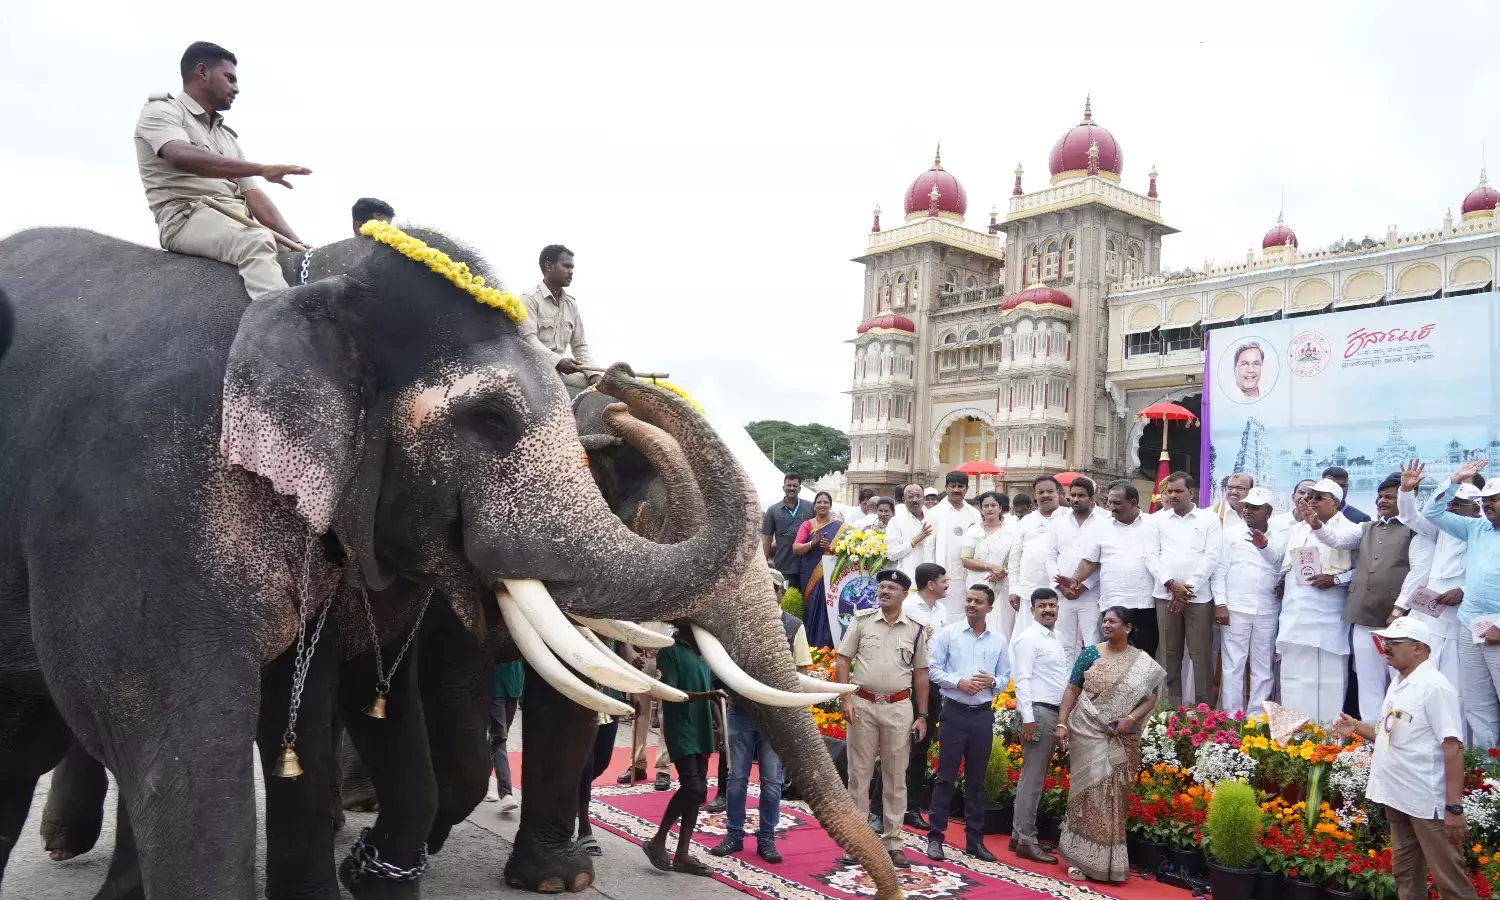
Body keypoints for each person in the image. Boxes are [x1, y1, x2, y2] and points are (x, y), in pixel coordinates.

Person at [134, 42, 310, 300]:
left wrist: (296, 244)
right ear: (203, 72)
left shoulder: (227, 137)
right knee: (255, 242)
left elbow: (254, 196)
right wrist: (262, 168)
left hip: (236, 218)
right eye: (230, 78)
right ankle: (284, 330)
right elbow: (179, 155)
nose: (236, 88)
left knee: (298, 259)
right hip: (186, 216)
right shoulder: (161, 111)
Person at [1333, 617, 1476, 900]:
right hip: (1397, 796)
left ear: (1418, 649)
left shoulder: (1435, 687)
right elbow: (1392, 733)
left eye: (1394, 643)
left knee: (1451, 883)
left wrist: (1454, 808)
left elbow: (1453, 748)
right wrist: (1358, 727)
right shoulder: (1399, 682)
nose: (1385, 648)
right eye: (1385, 642)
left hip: (1427, 804)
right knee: (1407, 878)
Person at [1054, 607, 1166, 884]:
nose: (1106, 625)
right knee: (1087, 792)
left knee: (1112, 796)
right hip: (1086, 729)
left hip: (1120, 734)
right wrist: (1062, 722)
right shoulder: (1090, 654)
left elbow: (1151, 697)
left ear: (1127, 627)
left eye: (1112, 621)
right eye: (1103, 620)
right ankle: (1078, 858)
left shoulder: (1142, 661)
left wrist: (1130, 718)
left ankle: (1109, 861)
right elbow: (1072, 689)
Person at [711, 579, 812, 864]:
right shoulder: (737, 622)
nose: (766, 592)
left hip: (776, 715)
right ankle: (734, 834)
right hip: (741, 710)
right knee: (737, 778)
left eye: (772, 587)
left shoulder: (794, 626)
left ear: (782, 593)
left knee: (771, 780)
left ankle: (766, 838)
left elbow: (801, 671)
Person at [834, 569, 930, 870]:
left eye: (892, 588)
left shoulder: (915, 630)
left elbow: (921, 674)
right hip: (862, 704)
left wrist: (923, 715)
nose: (884, 592)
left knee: (895, 777)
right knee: (858, 775)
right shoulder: (862, 622)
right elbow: (842, 659)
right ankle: (858, 842)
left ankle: (893, 843)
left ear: (905, 594)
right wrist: (845, 698)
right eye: (882, 587)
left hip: (899, 708)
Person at [1309, 474, 1418, 719]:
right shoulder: (1367, 527)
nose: (1382, 501)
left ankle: (1398, 737)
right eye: (1380, 496)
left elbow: (1419, 572)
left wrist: (1399, 609)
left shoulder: (1415, 530)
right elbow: (1336, 540)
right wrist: (1317, 526)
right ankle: (1371, 737)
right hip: (1364, 615)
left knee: (1400, 680)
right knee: (1368, 679)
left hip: (1397, 619)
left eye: (1389, 496)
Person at [924, 584, 1010, 863]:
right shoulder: (948, 634)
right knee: (945, 778)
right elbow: (933, 670)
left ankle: (975, 840)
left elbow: (1005, 677)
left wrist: (993, 683)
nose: (972, 605)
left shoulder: (998, 640)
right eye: (969, 600)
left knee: (976, 780)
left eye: (978, 601)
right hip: (955, 713)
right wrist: (958, 682)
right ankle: (936, 837)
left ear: (990, 608)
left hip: (983, 715)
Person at [1420, 459, 1500, 747]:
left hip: (1498, 629)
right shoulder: (1477, 528)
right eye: (1484, 499)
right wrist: (1454, 481)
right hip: (1470, 625)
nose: (1487, 504)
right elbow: (1432, 511)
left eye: (1494, 499)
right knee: (1477, 704)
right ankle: (1487, 776)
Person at [1394, 459, 1481, 715]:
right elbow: (1410, 516)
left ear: (1476, 509)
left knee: (1454, 685)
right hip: (1429, 615)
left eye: (1458, 504)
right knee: (1422, 677)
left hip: (1459, 618)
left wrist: (1463, 590)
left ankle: (1460, 746)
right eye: (1451, 502)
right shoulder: (1440, 527)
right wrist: (1406, 492)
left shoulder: (1484, 532)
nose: (1451, 508)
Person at [643, 629, 723, 877]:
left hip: (701, 728)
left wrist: (719, 724)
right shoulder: (670, 651)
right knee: (693, 788)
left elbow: (711, 691)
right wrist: (708, 696)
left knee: (698, 790)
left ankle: (682, 854)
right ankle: (657, 840)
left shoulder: (703, 651)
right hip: (682, 728)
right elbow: (672, 694)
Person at [1278, 478, 1359, 724]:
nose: (1312, 501)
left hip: (1327, 616)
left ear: (1335, 502)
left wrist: (1335, 579)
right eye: (1310, 497)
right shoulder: (1297, 528)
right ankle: (1293, 735)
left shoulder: (1350, 528)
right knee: (1293, 675)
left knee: (1328, 678)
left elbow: (1360, 569)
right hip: (1295, 614)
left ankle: (1327, 736)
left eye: (1319, 498)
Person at [1145, 471, 1223, 707]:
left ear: (1192, 492)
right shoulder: (1157, 520)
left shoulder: (1208, 520)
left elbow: (1211, 557)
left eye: (1178, 491)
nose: (1172, 495)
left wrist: (1187, 589)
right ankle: (1171, 710)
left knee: (1200, 656)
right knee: (1169, 655)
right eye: (1169, 491)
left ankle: (1203, 714)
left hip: (1198, 598)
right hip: (1165, 595)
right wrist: (1171, 584)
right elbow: (1150, 556)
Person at [1210, 487, 1286, 716]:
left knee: (1263, 667)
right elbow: (1220, 570)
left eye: (1255, 507)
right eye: (1247, 506)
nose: (1248, 511)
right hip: (1236, 608)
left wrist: (1263, 545)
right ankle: (1232, 719)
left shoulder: (1281, 535)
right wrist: (1220, 603)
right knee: (1234, 665)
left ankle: (1257, 720)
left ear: (1269, 512)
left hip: (1267, 609)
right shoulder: (1230, 533)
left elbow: (1280, 565)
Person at [1063, 481, 1160, 657]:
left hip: (1145, 603)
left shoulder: (1153, 523)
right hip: (1113, 603)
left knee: (1144, 657)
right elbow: (1089, 562)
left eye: (1117, 503)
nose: (1112, 507)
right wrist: (1075, 579)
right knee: (1113, 656)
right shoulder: (1101, 526)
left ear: (1133, 502)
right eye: (1110, 502)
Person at [1011, 588, 1067, 864]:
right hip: (1038, 713)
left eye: (1052, 605)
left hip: (1050, 712)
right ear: (1032, 610)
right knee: (1032, 779)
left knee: (1032, 777)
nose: (1048, 609)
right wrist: (1028, 717)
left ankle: (1017, 834)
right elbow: (1021, 679)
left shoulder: (1054, 637)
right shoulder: (1029, 639)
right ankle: (1026, 839)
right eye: (1042, 605)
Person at [901, 562, 950, 830]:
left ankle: (911, 806)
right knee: (897, 747)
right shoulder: (908, 607)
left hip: (934, 684)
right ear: (931, 584)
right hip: (908, 682)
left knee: (920, 747)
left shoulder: (941, 609)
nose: (947, 585)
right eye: (943, 581)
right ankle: (881, 807)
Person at [1048, 477, 1108, 667]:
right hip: (1063, 594)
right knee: (1064, 643)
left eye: (1081, 496)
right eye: (1073, 495)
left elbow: (1103, 561)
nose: (1075, 499)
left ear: (1092, 498)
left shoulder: (1105, 522)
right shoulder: (1058, 522)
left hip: (1091, 594)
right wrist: (1060, 585)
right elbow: (1049, 556)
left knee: (1092, 643)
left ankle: (1092, 687)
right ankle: (1066, 689)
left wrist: (1084, 586)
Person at [521, 245, 598, 392]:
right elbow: (528, 339)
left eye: (572, 267)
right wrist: (558, 361)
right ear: (549, 266)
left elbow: (579, 346)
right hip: (532, 373)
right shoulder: (529, 299)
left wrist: (595, 376)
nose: (571, 272)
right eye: (566, 266)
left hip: (560, 375)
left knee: (604, 387)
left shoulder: (571, 304)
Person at [1009, 475, 1066, 640]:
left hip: (1060, 592)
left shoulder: (1069, 517)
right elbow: (1015, 558)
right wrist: (1014, 589)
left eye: (1050, 491)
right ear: (1036, 495)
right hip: (1029, 591)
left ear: (1059, 493)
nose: (1045, 495)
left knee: (1061, 640)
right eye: (1041, 492)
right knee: (1026, 638)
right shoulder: (1027, 520)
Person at [617, 637, 673, 791]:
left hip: (667, 658)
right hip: (641, 658)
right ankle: (637, 765)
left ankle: (663, 769)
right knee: (639, 715)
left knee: (666, 716)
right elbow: (625, 631)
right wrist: (629, 652)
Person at [792, 491, 846, 648]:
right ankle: (810, 646)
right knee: (812, 609)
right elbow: (796, 548)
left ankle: (829, 646)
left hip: (832, 573)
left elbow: (848, 549)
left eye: (826, 502)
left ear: (830, 506)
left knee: (829, 607)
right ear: (814, 506)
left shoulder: (840, 526)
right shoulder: (807, 525)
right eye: (819, 502)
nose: (822, 505)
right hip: (809, 573)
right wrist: (811, 544)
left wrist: (831, 548)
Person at [961, 491, 1015, 636]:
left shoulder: (1012, 531)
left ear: (1000, 508)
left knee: (1003, 626)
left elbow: (1016, 558)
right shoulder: (973, 530)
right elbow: (966, 560)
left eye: (993, 505)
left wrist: (1003, 571)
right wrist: (991, 567)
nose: (989, 509)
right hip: (979, 583)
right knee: (979, 623)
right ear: (981, 509)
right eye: (986, 506)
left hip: (1003, 585)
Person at [931, 471, 983, 617]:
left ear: (966, 489)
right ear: (946, 487)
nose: (956, 490)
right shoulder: (935, 513)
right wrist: (931, 573)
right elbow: (929, 546)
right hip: (944, 571)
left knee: (968, 611)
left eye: (960, 486)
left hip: (969, 572)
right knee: (944, 613)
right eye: (952, 486)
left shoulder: (974, 513)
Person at [485, 659, 523, 812]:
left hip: (514, 687)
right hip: (494, 688)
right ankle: (506, 792)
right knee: (499, 737)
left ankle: (481, 781)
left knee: (497, 738)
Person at [763, 473, 813, 588]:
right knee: (786, 602)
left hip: (807, 565)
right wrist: (764, 563)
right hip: (784, 566)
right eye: (788, 485)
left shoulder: (810, 507)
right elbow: (767, 540)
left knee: (807, 602)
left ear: (800, 489)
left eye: (795, 486)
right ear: (783, 488)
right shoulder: (773, 510)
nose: (791, 488)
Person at [886, 484, 937, 581]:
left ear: (923, 498)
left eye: (918, 496)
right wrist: (914, 541)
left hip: (932, 578)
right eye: (910, 497)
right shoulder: (896, 521)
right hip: (908, 578)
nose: (915, 500)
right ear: (904, 499)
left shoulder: (934, 518)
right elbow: (892, 554)